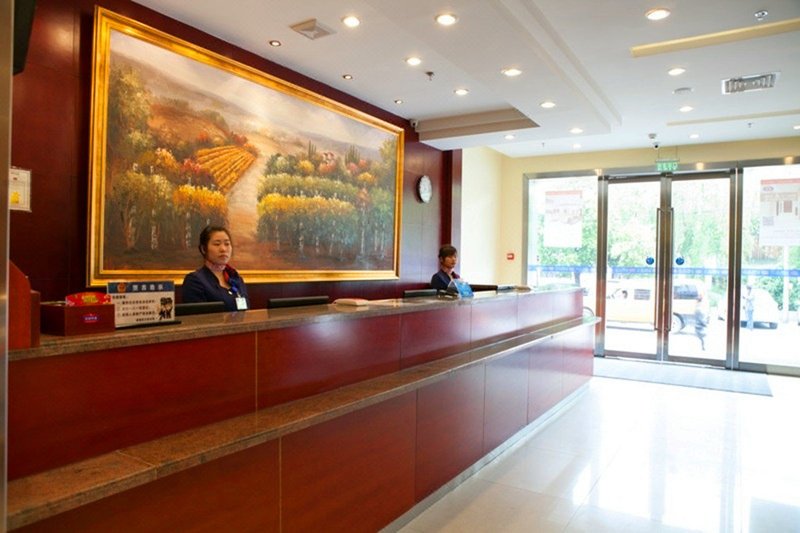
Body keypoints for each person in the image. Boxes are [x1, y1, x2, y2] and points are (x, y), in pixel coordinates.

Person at [182, 225, 249, 311]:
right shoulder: (195, 281)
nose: (223, 249)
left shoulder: (236, 278)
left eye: (227, 244)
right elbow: (197, 316)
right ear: (203, 249)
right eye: (217, 244)